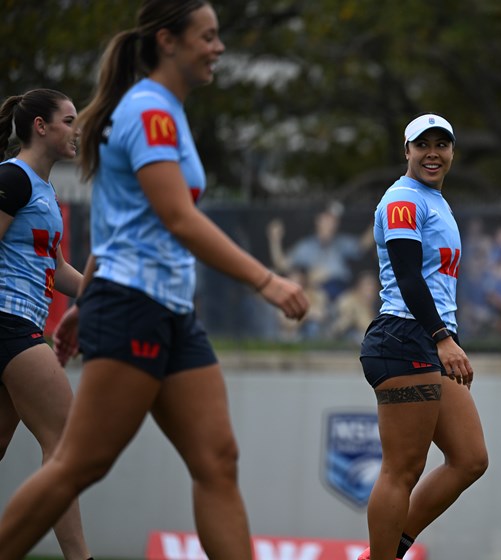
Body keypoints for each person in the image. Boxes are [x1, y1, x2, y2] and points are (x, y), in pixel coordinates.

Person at [0, 2, 308, 559]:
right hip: (133, 307)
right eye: (206, 37)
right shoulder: (148, 111)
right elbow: (177, 218)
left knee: (217, 460)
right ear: (167, 41)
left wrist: (82, 302)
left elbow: (119, 226)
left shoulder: (167, 113)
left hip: (169, 311)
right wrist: (266, 281)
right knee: (77, 462)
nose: (218, 48)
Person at [358, 114, 488, 560]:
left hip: (426, 340)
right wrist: (442, 337)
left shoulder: (434, 200)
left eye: (441, 145)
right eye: (422, 145)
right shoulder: (402, 199)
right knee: (402, 469)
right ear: (407, 150)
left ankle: (388, 550)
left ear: (452, 152)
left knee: (470, 458)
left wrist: (442, 338)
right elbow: (408, 277)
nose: (433, 153)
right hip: (404, 337)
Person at [0, 89, 94, 560]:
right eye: (69, 120)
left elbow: (55, 269)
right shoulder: (11, 179)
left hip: (18, 325)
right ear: (40, 126)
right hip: (9, 323)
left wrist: (106, 292)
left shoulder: (44, 191)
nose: (77, 129)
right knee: (65, 443)